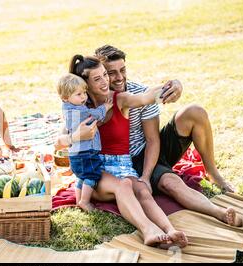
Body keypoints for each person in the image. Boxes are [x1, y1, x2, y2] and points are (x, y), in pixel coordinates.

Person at [94, 45, 241, 227]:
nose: (120, 77)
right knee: (171, 183)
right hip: (117, 162)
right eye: (112, 73)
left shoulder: (139, 92)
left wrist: (146, 177)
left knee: (194, 111)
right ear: (101, 75)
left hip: (146, 152)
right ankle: (219, 213)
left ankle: (212, 172)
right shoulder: (94, 98)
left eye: (122, 70)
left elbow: (153, 140)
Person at [56, 57, 178, 248]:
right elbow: (58, 143)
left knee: (143, 191)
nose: (105, 81)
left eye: (105, 74)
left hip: (122, 164)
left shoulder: (119, 98)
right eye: (97, 79)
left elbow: (144, 97)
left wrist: (171, 86)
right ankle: (149, 231)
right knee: (124, 186)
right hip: (96, 169)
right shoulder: (78, 106)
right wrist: (76, 136)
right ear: (85, 84)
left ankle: (170, 230)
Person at [57, 73, 112, 211]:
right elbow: (96, 115)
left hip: (75, 153)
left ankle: (78, 200)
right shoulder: (80, 111)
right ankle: (85, 201)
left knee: (81, 177)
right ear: (65, 98)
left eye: (84, 93)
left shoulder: (67, 108)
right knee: (92, 175)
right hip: (86, 152)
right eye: (78, 94)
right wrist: (105, 106)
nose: (84, 97)